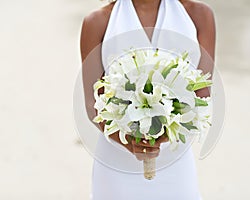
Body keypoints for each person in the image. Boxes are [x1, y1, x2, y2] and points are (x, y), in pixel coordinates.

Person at [80, 0, 216, 199]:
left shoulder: (199, 16)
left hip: (175, 157)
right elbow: (92, 103)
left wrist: (166, 136)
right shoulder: (97, 22)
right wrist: (129, 143)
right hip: (116, 161)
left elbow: (202, 93)